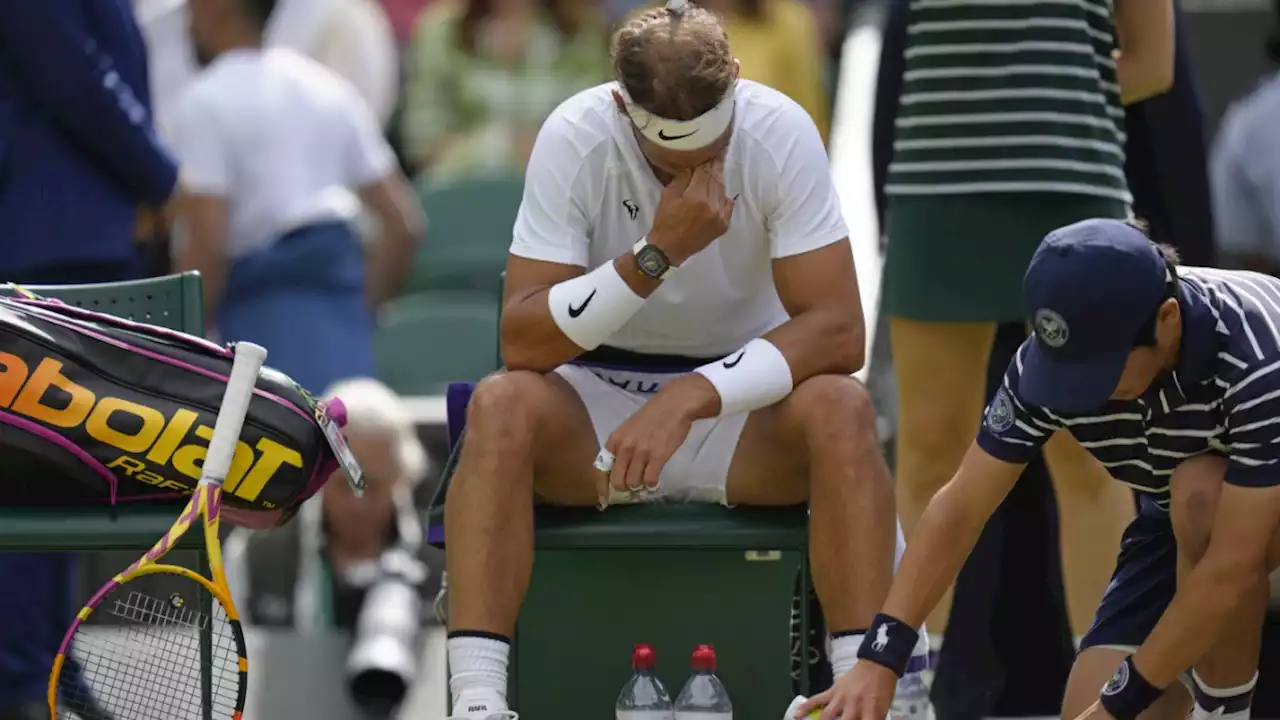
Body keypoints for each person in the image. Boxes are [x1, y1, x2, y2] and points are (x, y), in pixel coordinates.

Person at [440, 2, 928, 718]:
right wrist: (654, 257)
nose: (700, 172)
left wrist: (691, 396)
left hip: (740, 409)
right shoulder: (576, 136)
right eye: (671, 160)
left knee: (843, 406)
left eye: (713, 147)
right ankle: (478, 700)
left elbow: (838, 333)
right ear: (621, 107)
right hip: (594, 411)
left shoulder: (777, 130)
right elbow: (522, 341)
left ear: (735, 87)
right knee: (500, 403)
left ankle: (858, 694)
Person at [803, 217, 1280, 720]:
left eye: (1099, 367)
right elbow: (963, 505)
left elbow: (1231, 564)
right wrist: (880, 659)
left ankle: (1225, 714)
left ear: (1166, 319)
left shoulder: (1258, 357)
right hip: (1179, 516)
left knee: (1200, 493)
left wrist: (1116, 706)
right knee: (1093, 704)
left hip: (1241, 509)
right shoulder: (1048, 364)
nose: (1081, 393)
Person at [880, 0, 1175, 677]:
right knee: (928, 446)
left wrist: (1055, 111)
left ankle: (1109, 689)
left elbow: (1152, 64)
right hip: (938, 189)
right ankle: (906, 684)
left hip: (1078, 188)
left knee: (1092, 457)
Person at [0, 1, 180, 715]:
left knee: (59, 464)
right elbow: (69, 70)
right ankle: (22, 680)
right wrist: (161, 174)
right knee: (32, 464)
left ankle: (44, 666)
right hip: (47, 227)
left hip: (66, 223)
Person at [169, 0, 423, 395]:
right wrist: (359, 313)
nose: (186, 28)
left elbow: (207, 243)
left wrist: (184, 343)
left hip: (261, 326)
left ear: (214, 8)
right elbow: (404, 225)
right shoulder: (327, 87)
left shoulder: (203, 102)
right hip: (342, 324)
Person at [399, 0, 609, 185]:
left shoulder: (586, 31)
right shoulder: (441, 30)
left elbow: (595, 147)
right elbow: (422, 150)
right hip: (465, 197)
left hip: (563, 201)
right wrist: (504, 148)